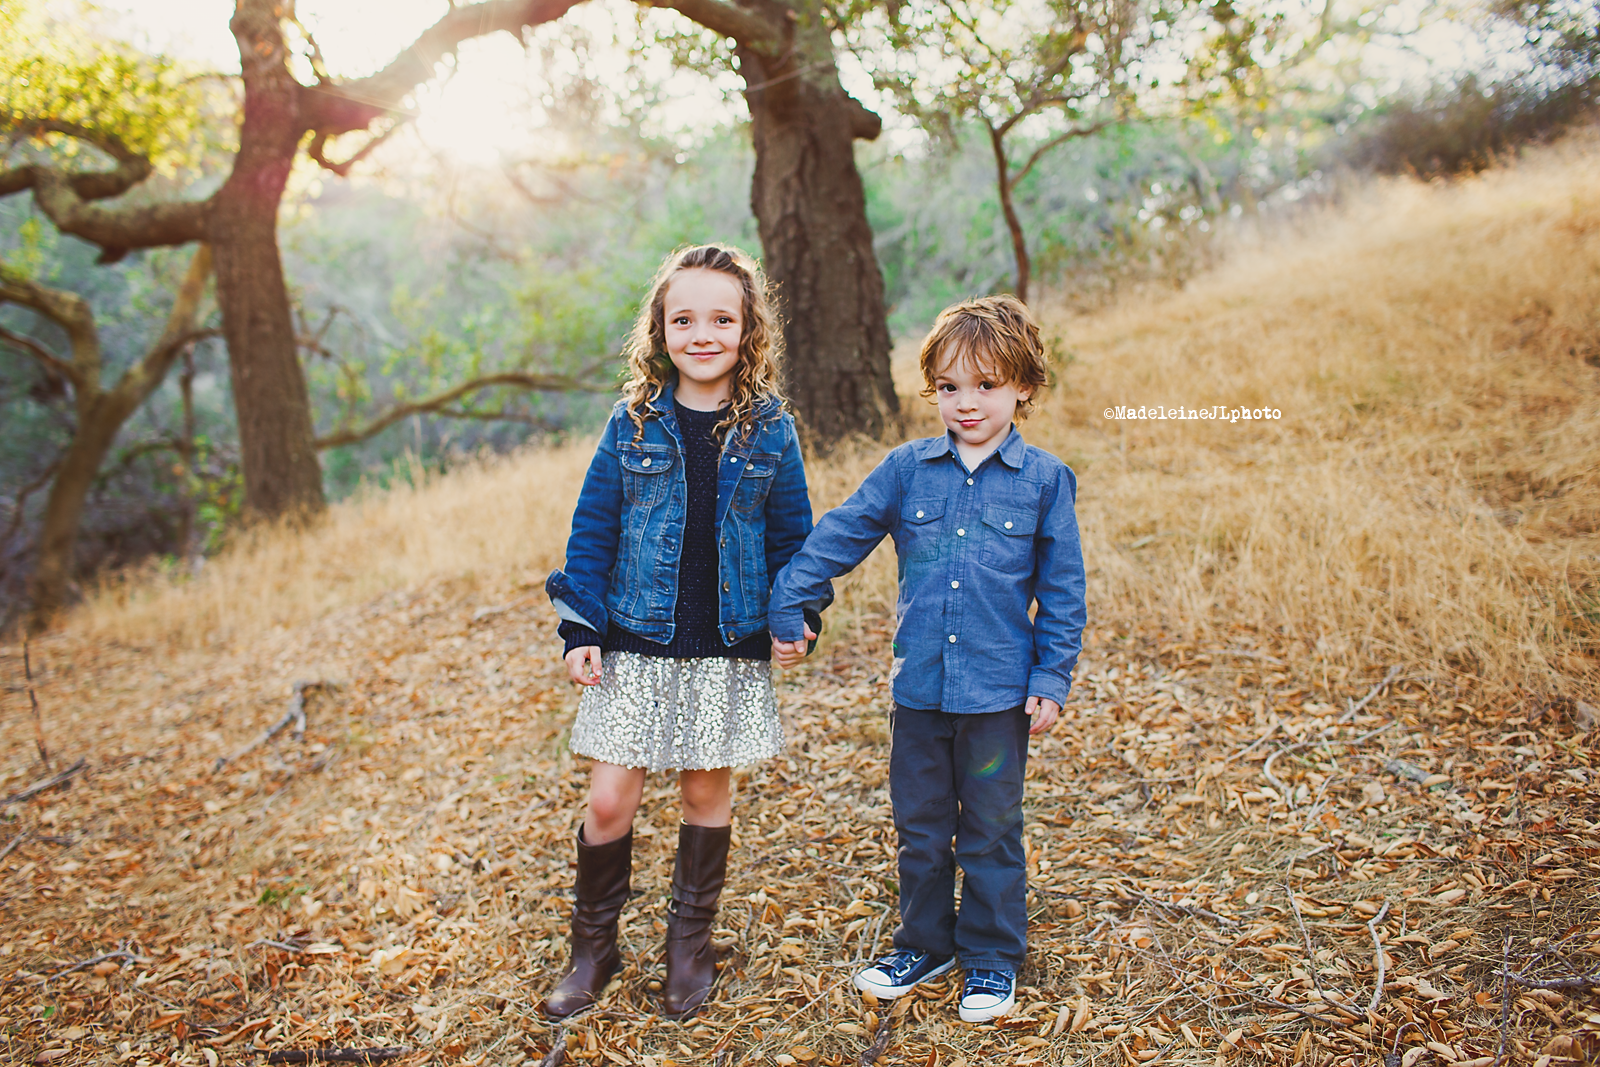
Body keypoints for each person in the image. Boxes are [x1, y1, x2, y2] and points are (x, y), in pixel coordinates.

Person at [769, 294, 1086, 1024]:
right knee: (919, 824)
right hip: (918, 692)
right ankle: (925, 941)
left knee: (991, 827)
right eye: (949, 387)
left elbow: (1064, 593)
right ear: (932, 389)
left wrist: (1050, 676)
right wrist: (790, 603)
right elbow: (838, 535)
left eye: (986, 385)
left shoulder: (1043, 482)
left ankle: (991, 955)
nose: (966, 403)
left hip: (997, 696)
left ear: (1024, 388)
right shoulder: (907, 469)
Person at [543, 244, 824, 1020]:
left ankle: (688, 946)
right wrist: (581, 627)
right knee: (608, 799)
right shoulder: (631, 424)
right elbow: (593, 529)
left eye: (722, 317)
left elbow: (794, 542)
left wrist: (797, 615)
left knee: (705, 790)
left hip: (725, 645)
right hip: (634, 639)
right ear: (661, 330)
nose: (704, 333)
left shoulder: (770, 429)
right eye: (685, 318)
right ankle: (593, 948)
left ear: (748, 329)